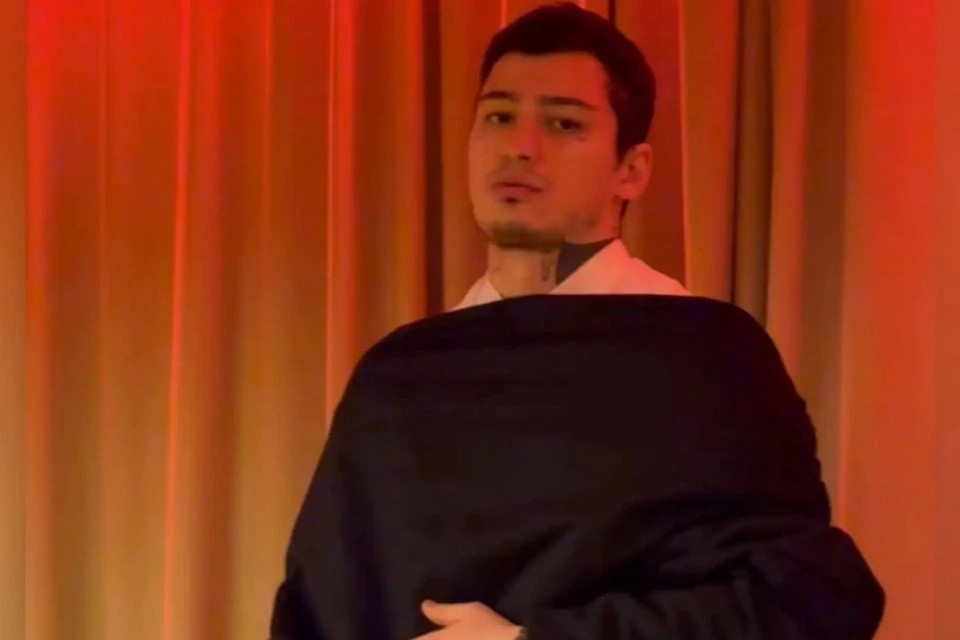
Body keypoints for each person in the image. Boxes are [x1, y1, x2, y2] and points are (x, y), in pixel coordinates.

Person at [270, 4, 884, 639]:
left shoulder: (707, 359)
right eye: (499, 116)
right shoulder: (398, 378)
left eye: (563, 123)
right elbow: (318, 612)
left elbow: (806, 602)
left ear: (632, 170)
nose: (520, 146)